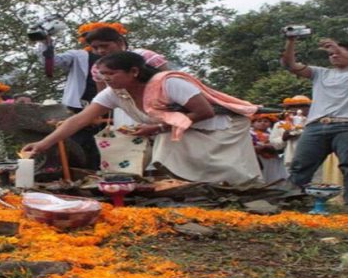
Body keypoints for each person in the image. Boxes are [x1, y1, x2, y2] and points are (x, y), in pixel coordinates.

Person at [22, 52, 262, 185]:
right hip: (179, 130)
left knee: (222, 170)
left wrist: (156, 128)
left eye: (112, 74)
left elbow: (204, 112)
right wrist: (43, 144)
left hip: (220, 127)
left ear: (134, 72)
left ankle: (231, 196)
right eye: (103, 75)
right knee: (172, 158)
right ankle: (197, 196)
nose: (107, 79)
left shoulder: (169, 83)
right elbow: (79, 120)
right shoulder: (112, 93)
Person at [33, 22, 120, 169]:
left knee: (113, 145)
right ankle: (82, 175)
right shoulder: (79, 55)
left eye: (103, 44)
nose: (100, 49)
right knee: (79, 145)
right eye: (94, 44)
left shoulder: (129, 59)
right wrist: (45, 42)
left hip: (116, 110)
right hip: (79, 108)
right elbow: (51, 62)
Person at [282, 36, 348, 202]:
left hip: (345, 126)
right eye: (330, 54)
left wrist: (335, 46)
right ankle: (293, 204)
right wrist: (291, 41)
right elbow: (291, 65)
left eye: (338, 52)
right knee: (300, 167)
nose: (333, 54)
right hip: (315, 127)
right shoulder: (320, 73)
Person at [85, 24, 170, 128]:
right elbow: (101, 95)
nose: (100, 51)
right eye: (95, 48)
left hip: (160, 106)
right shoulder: (97, 68)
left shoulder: (146, 56)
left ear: (120, 42)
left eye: (104, 46)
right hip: (125, 111)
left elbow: (168, 80)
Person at [250, 114, 287, 183]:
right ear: (252, 124)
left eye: (266, 121)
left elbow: (278, 144)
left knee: (273, 174)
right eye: (259, 121)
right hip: (258, 158)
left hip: (272, 158)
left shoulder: (273, 133)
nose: (262, 123)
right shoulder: (250, 133)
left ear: (270, 124)